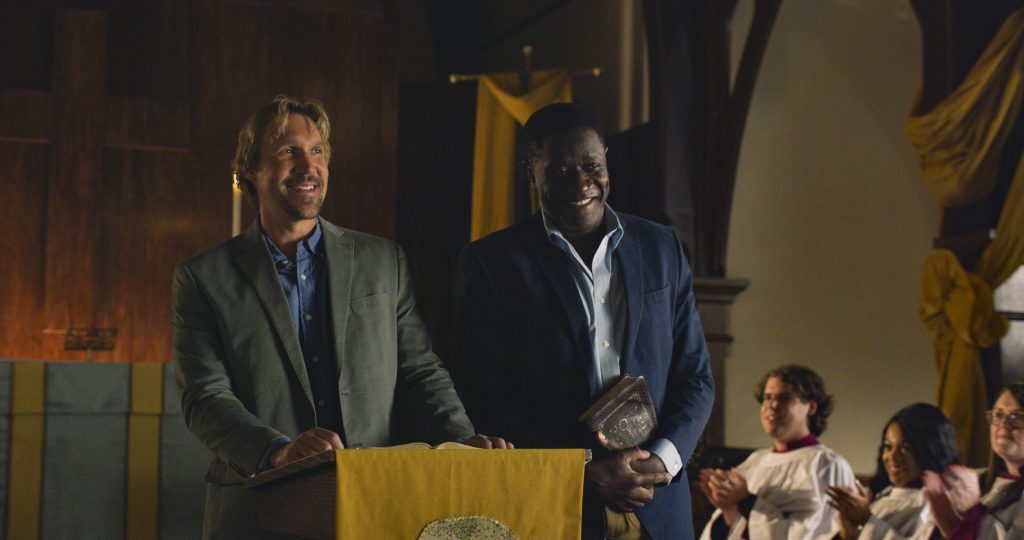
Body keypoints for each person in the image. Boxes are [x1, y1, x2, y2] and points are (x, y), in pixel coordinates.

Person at [173, 96, 507, 539]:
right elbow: (204, 398)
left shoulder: (382, 260)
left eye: (317, 151)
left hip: (376, 503)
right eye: (288, 151)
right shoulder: (203, 278)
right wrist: (277, 451)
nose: (308, 166)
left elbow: (419, 369)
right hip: (258, 507)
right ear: (250, 168)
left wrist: (461, 442)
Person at [456, 102, 714, 539]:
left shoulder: (663, 248)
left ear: (606, 160)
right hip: (558, 509)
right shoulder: (493, 263)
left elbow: (696, 378)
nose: (581, 183)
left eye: (591, 166)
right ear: (532, 172)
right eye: (560, 171)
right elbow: (485, 397)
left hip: (660, 507)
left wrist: (663, 459)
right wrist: (578, 472)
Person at [699, 364, 855, 540]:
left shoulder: (827, 465)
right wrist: (728, 508)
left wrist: (746, 502)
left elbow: (816, 533)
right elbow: (737, 529)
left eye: (784, 398)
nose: (772, 405)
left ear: (811, 407)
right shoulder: (756, 461)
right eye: (767, 397)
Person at [826, 403, 958, 539]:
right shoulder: (881, 496)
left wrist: (867, 519)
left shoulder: (935, 507)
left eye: (905, 448)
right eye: (888, 446)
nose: (892, 457)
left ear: (931, 450)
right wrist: (847, 533)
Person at [923, 383, 1024, 538]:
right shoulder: (980, 480)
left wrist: (972, 513)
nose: (1003, 424)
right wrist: (952, 526)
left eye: (1017, 417)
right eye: (998, 415)